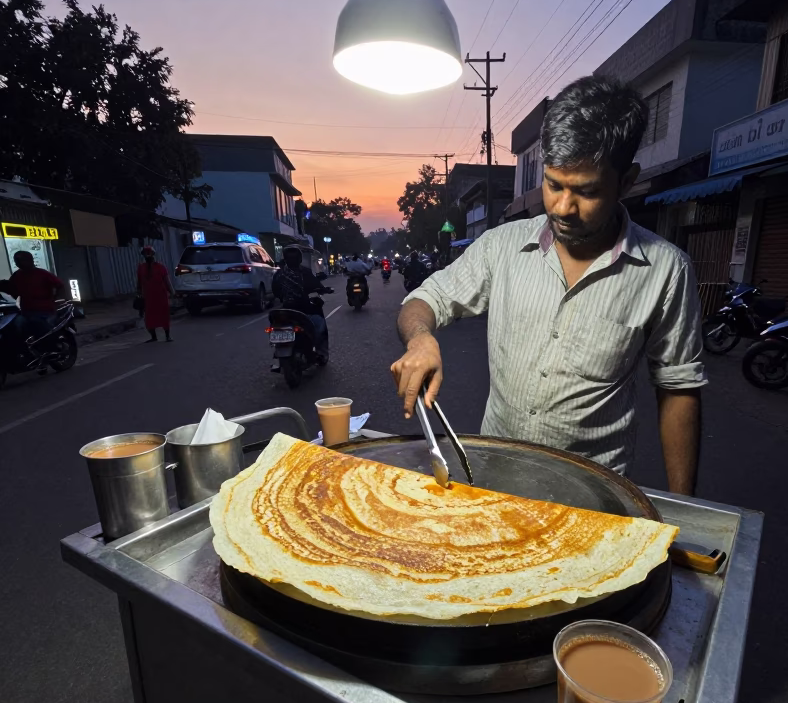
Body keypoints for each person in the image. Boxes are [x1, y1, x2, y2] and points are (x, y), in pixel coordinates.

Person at [391, 76, 706, 496]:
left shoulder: (667, 271)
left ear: (626, 182)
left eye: (587, 191)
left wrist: (687, 508)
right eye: (554, 184)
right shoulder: (500, 247)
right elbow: (424, 300)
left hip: (593, 496)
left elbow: (678, 391)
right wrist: (420, 338)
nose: (562, 207)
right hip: (494, 483)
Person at [0, 250, 65, 342]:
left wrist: (55, 299)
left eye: (21, 260)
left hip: (44, 312)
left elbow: (60, 286)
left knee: (40, 329)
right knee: (15, 327)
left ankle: (53, 345)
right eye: (17, 261)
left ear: (30, 260)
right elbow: (12, 289)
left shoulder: (42, 273)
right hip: (26, 311)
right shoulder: (17, 275)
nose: (19, 263)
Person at [272, 247, 330, 346]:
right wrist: (324, 289)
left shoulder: (279, 273)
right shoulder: (304, 272)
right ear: (300, 259)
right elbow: (316, 285)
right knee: (319, 322)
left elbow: (275, 291)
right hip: (303, 308)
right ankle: (321, 350)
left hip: (286, 308)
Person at [137, 246, 173, 342]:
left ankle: (167, 336)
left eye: (149, 253)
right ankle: (154, 337)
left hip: (161, 296)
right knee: (150, 317)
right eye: (146, 253)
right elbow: (139, 283)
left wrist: (173, 293)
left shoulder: (161, 267)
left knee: (163, 316)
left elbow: (167, 282)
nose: (148, 255)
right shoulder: (141, 268)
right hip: (149, 298)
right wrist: (139, 294)